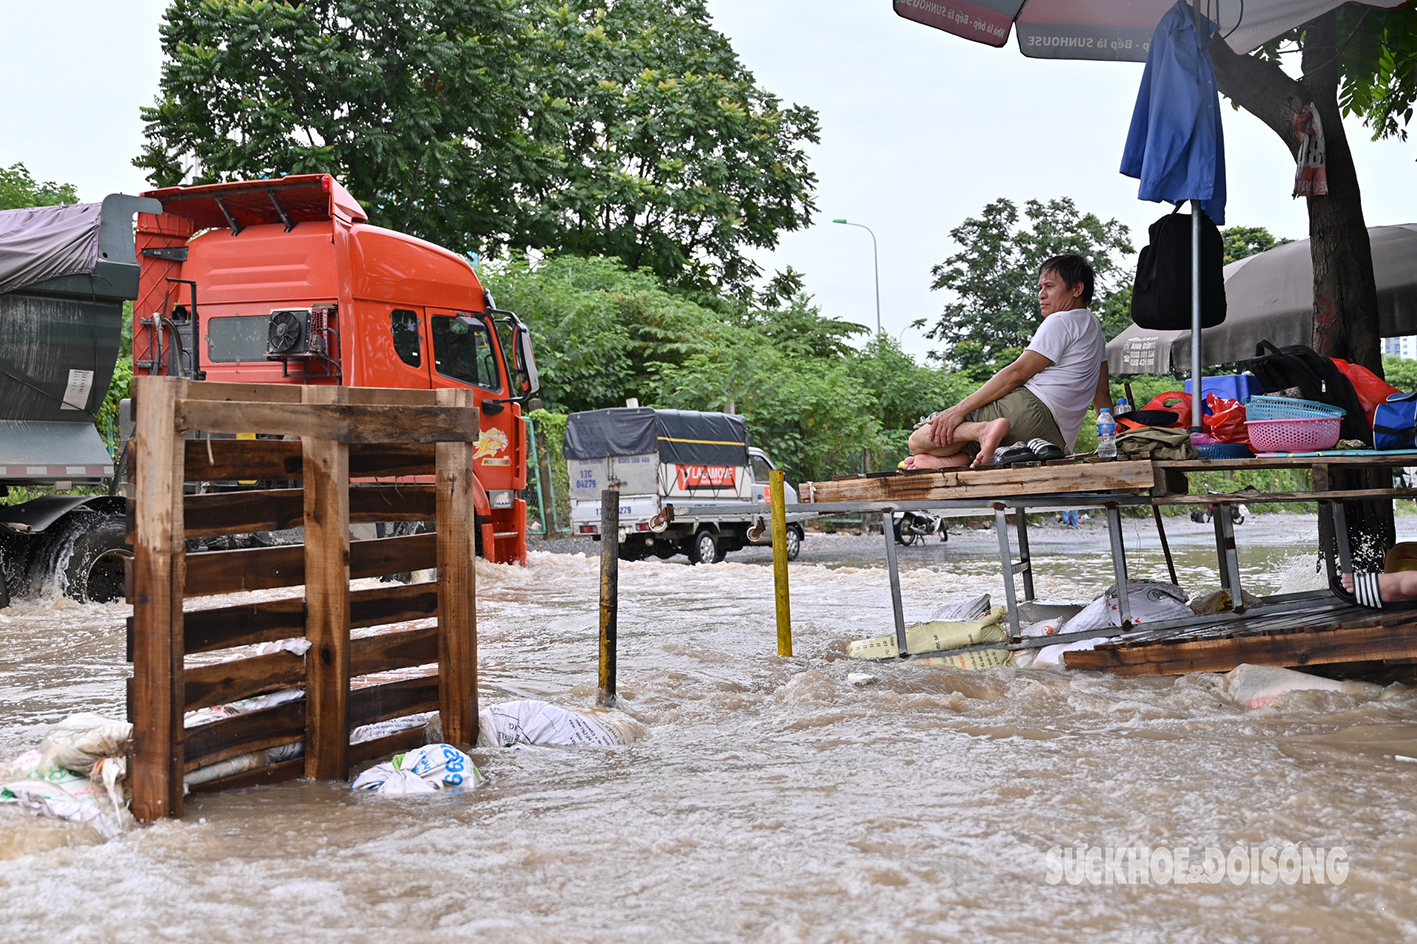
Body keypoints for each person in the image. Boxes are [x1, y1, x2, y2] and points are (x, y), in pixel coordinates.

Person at [903, 253, 1112, 470]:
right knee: (962, 445)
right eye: (1040, 287)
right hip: (1053, 438)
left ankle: (981, 430)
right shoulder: (1095, 331)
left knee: (919, 438)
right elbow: (1102, 395)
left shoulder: (1061, 320)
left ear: (1077, 289)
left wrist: (957, 410)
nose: (1041, 295)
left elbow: (1017, 374)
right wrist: (1111, 445)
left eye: (1049, 286)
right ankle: (948, 458)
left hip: (1029, 409)